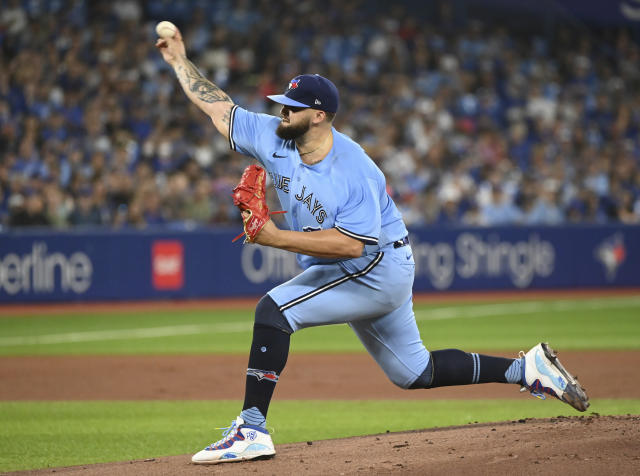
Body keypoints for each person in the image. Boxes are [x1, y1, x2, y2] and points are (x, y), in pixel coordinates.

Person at [156, 27, 589, 465]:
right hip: (370, 266)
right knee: (413, 372)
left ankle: (251, 428)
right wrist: (178, 61)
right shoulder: (275, 137)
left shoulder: (355, 169)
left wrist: (273, 238)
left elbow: (349, 248)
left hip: (376, 266)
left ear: (320, 115)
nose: (282, 113)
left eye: (292, 108)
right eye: (282, 106)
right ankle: (527, 369)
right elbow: (219, 108)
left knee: (275, 310)